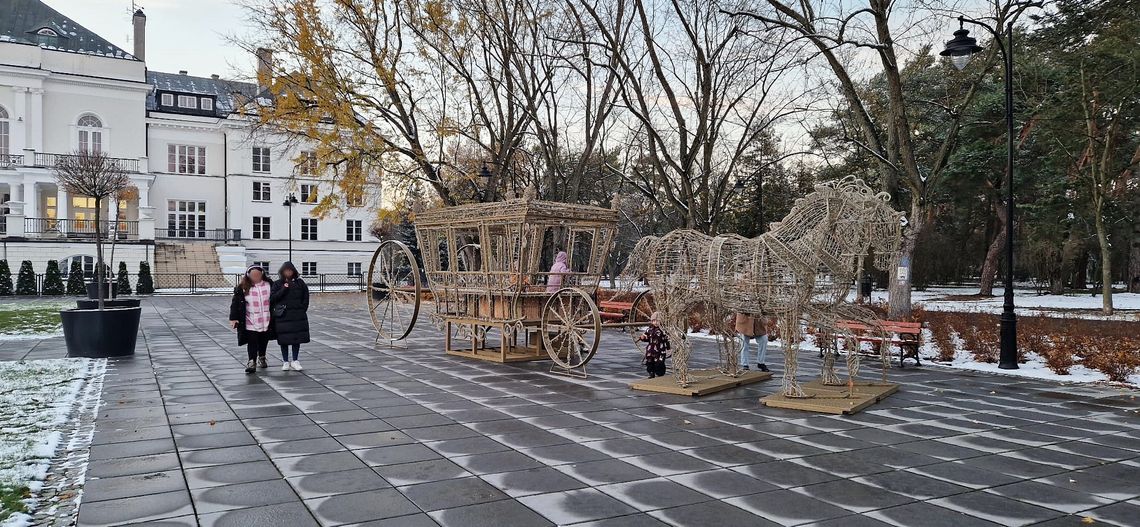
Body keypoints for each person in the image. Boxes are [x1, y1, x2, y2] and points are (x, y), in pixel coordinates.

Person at [229, 265, 274, 374]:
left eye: (258, 275)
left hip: (266, 319)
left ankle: (262, 357)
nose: (255, 277)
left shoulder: (269, 285)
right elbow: (235, 304)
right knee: (252, 341)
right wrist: (234, 318)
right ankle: (251, 361)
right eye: (253, 275)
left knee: (264, 340)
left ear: (262, 274)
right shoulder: (243, 287)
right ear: (248, 275)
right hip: (250, 319)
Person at [271, 261, 310, 371]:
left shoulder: (300, 283)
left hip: (297, 315)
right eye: (286, 271)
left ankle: (295, 360)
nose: (288, 272)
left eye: (290, 270)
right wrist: (284, 288)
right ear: (282, 272)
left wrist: (302, 309)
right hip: (283, 316)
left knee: (296, 339)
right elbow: (273, 298)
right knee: (284, 339)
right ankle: (285, 361)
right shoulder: (278, 284)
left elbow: (305, 297)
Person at [638, 312, 670, 378]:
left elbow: (667, 339)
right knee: (649, 362)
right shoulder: (649, 330)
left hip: (660, 350)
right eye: (654, 321)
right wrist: (643, 338)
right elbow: (647, 337)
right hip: (650, 350)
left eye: (657, 321)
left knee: (659, 363)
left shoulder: (663, 330)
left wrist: (668, 347)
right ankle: (651, 373)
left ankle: (660, 373)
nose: (655, 322)